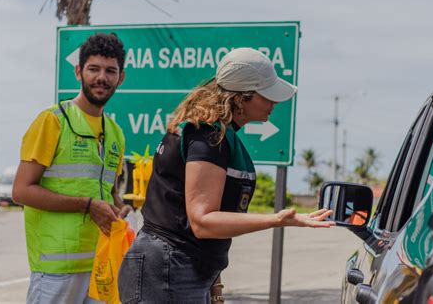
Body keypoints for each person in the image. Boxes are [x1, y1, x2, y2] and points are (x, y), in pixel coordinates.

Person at [117, 47, 335, 304]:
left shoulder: (216, 134)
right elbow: (202, 221)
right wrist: (276, 219)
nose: (274, 102)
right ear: (242, 98)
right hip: (168, 269)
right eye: (267, 95)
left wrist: (213, 281)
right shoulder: (207, 137)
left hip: (179, 266)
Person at [13, 33, 133, 304]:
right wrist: (88, 205)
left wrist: (119, 207)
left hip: (102, 265)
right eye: (94, 69)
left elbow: (110, 193)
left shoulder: (116, 134)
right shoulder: (53, 121)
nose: (101, 77)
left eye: (110, 71)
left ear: (120, 77)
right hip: (57, 271)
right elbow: (21, 191)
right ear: (79, 72)